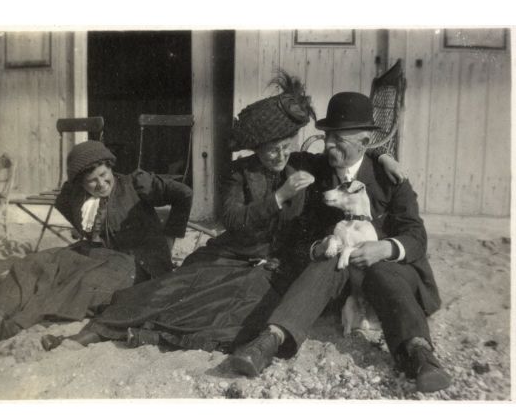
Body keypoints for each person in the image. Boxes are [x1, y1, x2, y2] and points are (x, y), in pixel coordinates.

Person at [41, 74, 404, 354]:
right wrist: (278, 196)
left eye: (284, 146)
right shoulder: (238, 172)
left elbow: (347, 155)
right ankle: (90, 333)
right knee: (172, 289)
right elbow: (232, 221)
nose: (279, 156)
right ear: (254, 148)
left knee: (238, 315)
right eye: (269, 150)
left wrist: (381, 155)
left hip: (275, 266)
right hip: (233, 254)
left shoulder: (303, 163)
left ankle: (147, 336)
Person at [230, 91, 451, 394]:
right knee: (325, 263)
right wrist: (315, 247)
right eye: (328, 136)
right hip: (336, 273)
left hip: (385, 272)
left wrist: (385, 247)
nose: (330, 145)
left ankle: (419, 352)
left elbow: (416, 235)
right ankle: (270, 340)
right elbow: (296, 230)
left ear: (364, 142)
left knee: (383, 270)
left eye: (340, 139)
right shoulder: (314, 170)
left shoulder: (390, 178)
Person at [0, 140, 192, 342]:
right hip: (96, 253)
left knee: (82, 283)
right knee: (39, 261)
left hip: (137, 263)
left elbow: (184, 194)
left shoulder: (135, 184)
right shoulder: (78, 195)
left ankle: (15, 324)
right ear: (82, 183)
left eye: (103, 174)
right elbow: (64, 201)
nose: (100, 184)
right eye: (91, 181)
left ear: (109, 167)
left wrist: (169, 240)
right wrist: (86, 229)